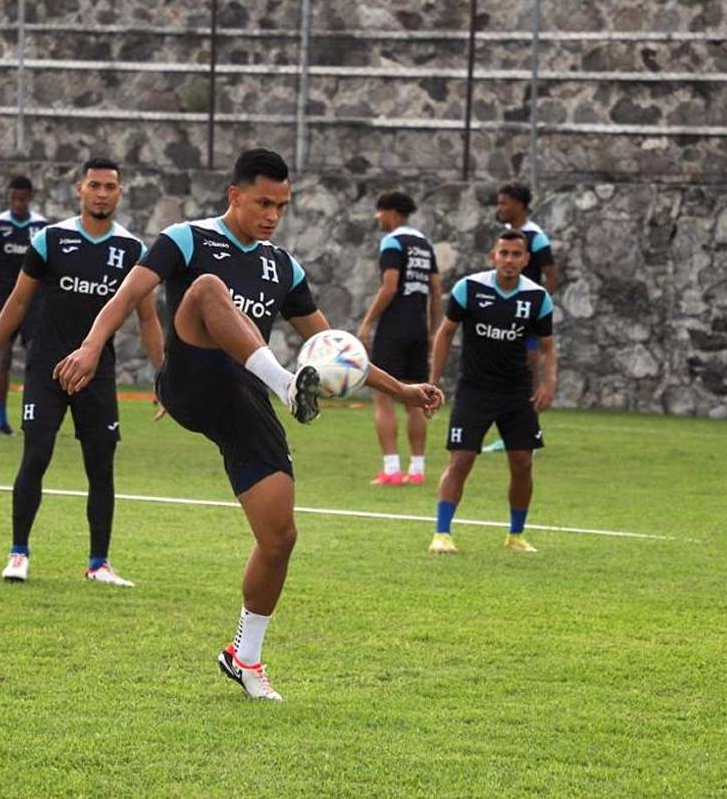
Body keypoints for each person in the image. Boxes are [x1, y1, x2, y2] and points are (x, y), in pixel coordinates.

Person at [54, 148, 443, 700]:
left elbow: (335, 348)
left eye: (281, 206)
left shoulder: (282, 266)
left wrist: (401, 389)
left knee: (280, 535)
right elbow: (131, 294)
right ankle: (287, 384)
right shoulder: (187, 239)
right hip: (190, 376)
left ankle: (245, 656)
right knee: (208, 288)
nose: (272, 215)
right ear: (234, 195)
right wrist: (91, 348)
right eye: (263, 202)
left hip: (242, 396)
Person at [0, 158, 163, 587]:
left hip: (98, 373)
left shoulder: (133, 251)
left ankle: (99, 564)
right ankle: (18, 553)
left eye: (110, 186)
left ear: (120, 192)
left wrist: (161, 378)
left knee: (101, 465)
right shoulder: (51, 239)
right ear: (80, 189)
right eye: (94, 185)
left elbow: (147, 319)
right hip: (47, 370)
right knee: (35, 456)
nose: (101, 193)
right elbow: (18, 303)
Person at [427, 229, 558, 555]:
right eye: (504, 254)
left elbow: (547, 347)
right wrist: (434, 380)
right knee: (461, 460)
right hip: (475, 390)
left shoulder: (537, 297)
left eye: (516, 255)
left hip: (517, 393)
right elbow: (445, 335)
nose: (509, 260)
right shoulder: (469, 289)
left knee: (522, 463)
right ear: (493, 256)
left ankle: (516, 535)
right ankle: (442, 533)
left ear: (526, 260)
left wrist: (548, 383)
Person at [357, 191, 443, 486]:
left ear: (392, 213)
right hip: (418, 327)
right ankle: (417, 470)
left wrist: (367, 322)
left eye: (380, 213)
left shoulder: (392, 242)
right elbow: (436, 290)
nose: (378, 219)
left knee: (383, 396)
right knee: (416, 399)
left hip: (394, 327)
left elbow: (389, 287)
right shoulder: (425, 244)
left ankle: (392, 469)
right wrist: (434, 330)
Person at [482, 181, 557, 453]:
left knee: (528, 374)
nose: (499, 207)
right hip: (504, 318)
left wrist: (535, 308)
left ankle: (528, 434)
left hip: (524, 320)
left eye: (504, 203)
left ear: (520, 205)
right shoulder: (509, 236)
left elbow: (552, 275)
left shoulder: (534, 236)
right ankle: (510, 432)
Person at [0, 176, 49, 435]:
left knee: (36, 359)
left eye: (22, 198)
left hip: (35, 301)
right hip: (5, 298)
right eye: (13, 199)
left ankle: (34, 416)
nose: (17, 203)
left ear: (30, 197)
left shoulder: (41, 227)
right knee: (4, 358)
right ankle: (1, 421)